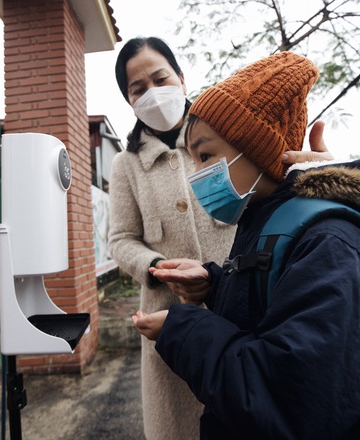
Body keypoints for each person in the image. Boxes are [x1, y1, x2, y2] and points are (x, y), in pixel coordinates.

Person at [131, 52, 360, 439]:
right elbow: (277, 305)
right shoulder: (266, 218)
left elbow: (287, 400)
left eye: (205, 155)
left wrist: (184, 331)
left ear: (258, 147)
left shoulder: (329, 244)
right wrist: (214, 286)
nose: (196, 174)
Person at [109, 37, 333, 440]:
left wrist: (317, 180)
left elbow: (274, 196)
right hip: (168, 317)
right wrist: (158, 268)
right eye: (138, 88)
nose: (152, 92)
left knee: (250, 411)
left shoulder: (229, 136)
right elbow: (121, 239)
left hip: (243, 299)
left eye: (160, 78)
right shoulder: (125, 165)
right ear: (129, 100)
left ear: (181, 77)